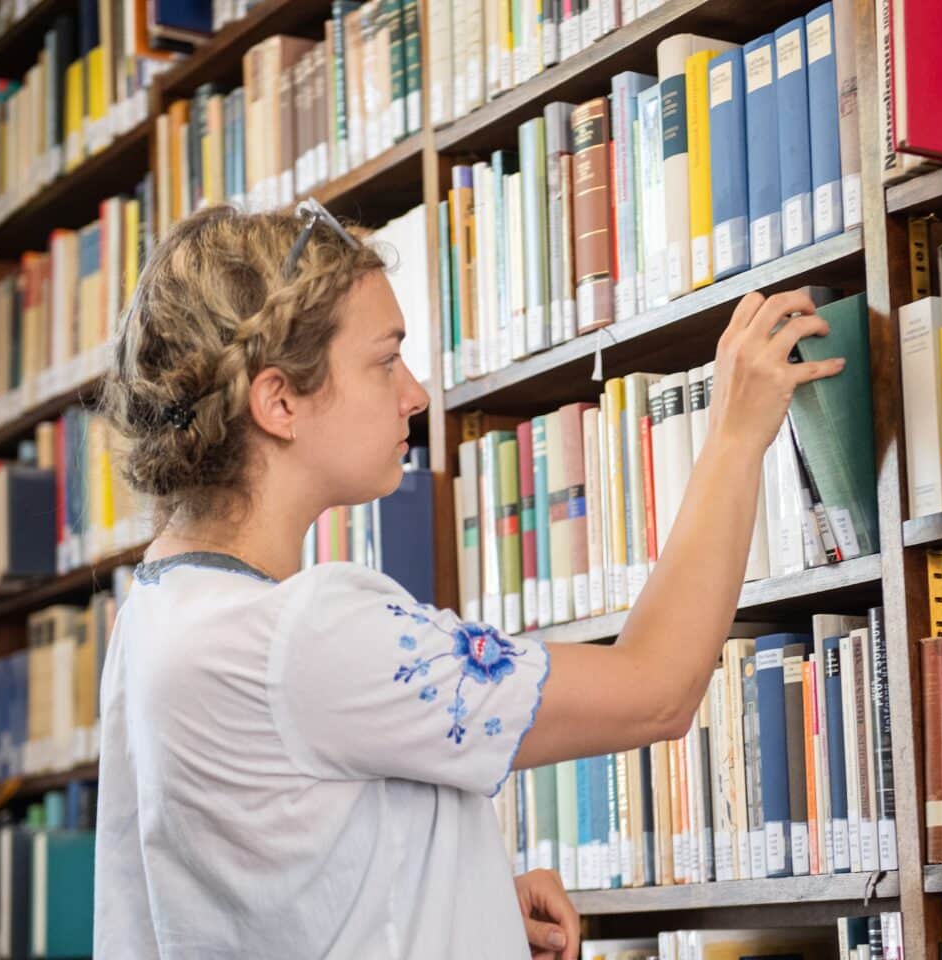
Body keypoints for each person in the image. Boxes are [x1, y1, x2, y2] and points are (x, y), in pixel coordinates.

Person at [93, 201, 844, 959]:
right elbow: (656, 689)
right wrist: (736, 431)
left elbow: (251, 895)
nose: (414, 394)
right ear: (280, 401)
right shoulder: (302, 634)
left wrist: (462, 898)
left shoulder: (156, 611)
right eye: (385, 360)